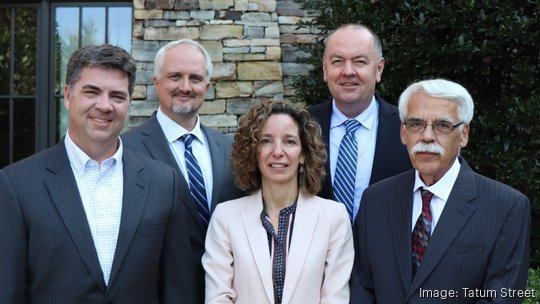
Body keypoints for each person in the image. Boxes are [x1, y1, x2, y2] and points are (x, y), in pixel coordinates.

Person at [0, 44, 194, 303]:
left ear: (129, 102)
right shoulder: (18, 185)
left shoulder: (164, 183)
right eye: (92, 92)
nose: (105, 105)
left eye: (117, 96)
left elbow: (178, 291)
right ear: (68, 96)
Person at [351, 79, 530, 303]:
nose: (427, 136)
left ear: (464, 134)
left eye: (442, 125)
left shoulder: (506, 208)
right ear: (403, 133)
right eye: (416, 124)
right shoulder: (375, 200)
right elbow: (361, 287)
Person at [121, 39, 244, 303]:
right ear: (157, 82)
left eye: (195, 78)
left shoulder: (231, 150)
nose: (185, 87)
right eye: (175, 76)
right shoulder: (126, 151)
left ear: (207, 87)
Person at [202, 100, 354, 304]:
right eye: (266, 141)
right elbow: (218, 297)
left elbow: (335, 298)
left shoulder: (333, 217)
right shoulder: (225, 218)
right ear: (253, 152)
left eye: (289, 141)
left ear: (303, 154)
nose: (277, 151)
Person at [308, 23, 411, 221]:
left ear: (379, 69)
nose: (348, 71)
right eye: (337, 61)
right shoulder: (301, 126)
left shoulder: (407, 128)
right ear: (325, 69)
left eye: (359, 61)